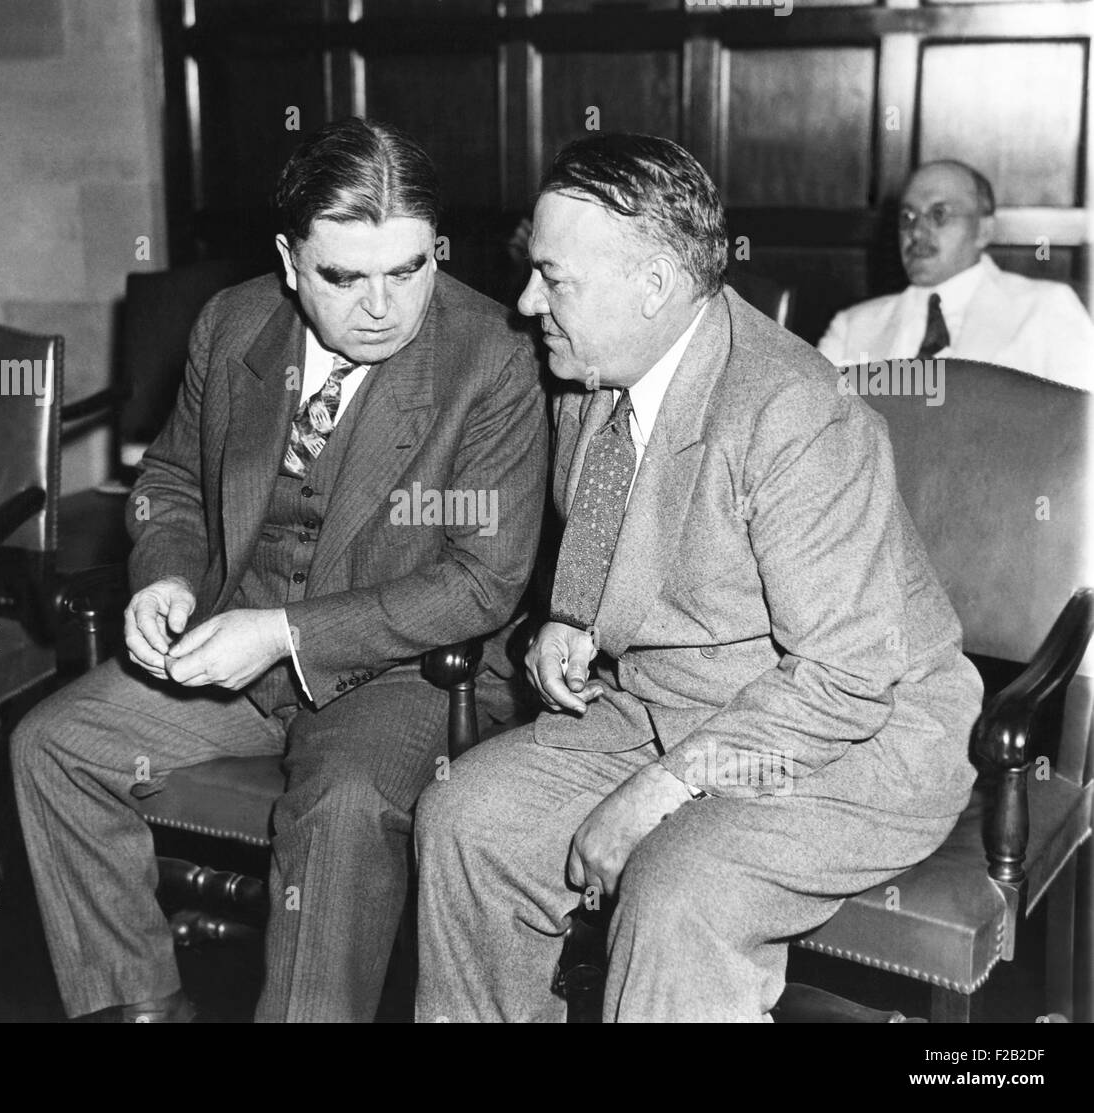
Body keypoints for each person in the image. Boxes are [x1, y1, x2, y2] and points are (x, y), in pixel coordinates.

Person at [414, 134, 983, 1022]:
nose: (526, 303)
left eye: (553, 278)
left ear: (654, 287)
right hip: (665, 701)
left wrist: (658, 790)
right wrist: (571, 614)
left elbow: (848, 677)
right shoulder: (593, 372)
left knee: (678, 889)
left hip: (852, 737)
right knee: (466, 818)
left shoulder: (794, 414)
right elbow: (616, 518)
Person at [11, 117, 547, 1022]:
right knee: (52, 746)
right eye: (344, 276)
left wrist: (287, 633)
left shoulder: (492, 356)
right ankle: (136, 1006)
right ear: (291, 263)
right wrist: (166, 578)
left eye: (409, 269)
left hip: (404, 676)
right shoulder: (234, 324)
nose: (383, 305)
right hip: (231, 648)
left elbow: (481, 581)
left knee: (338, 811)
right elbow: (173, 478)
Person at [818, 159, 1092, 386]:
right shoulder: (853, 327)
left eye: (939, 215)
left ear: (984, 230)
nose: (917, 232)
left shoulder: (1045, 308)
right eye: (907, 217)